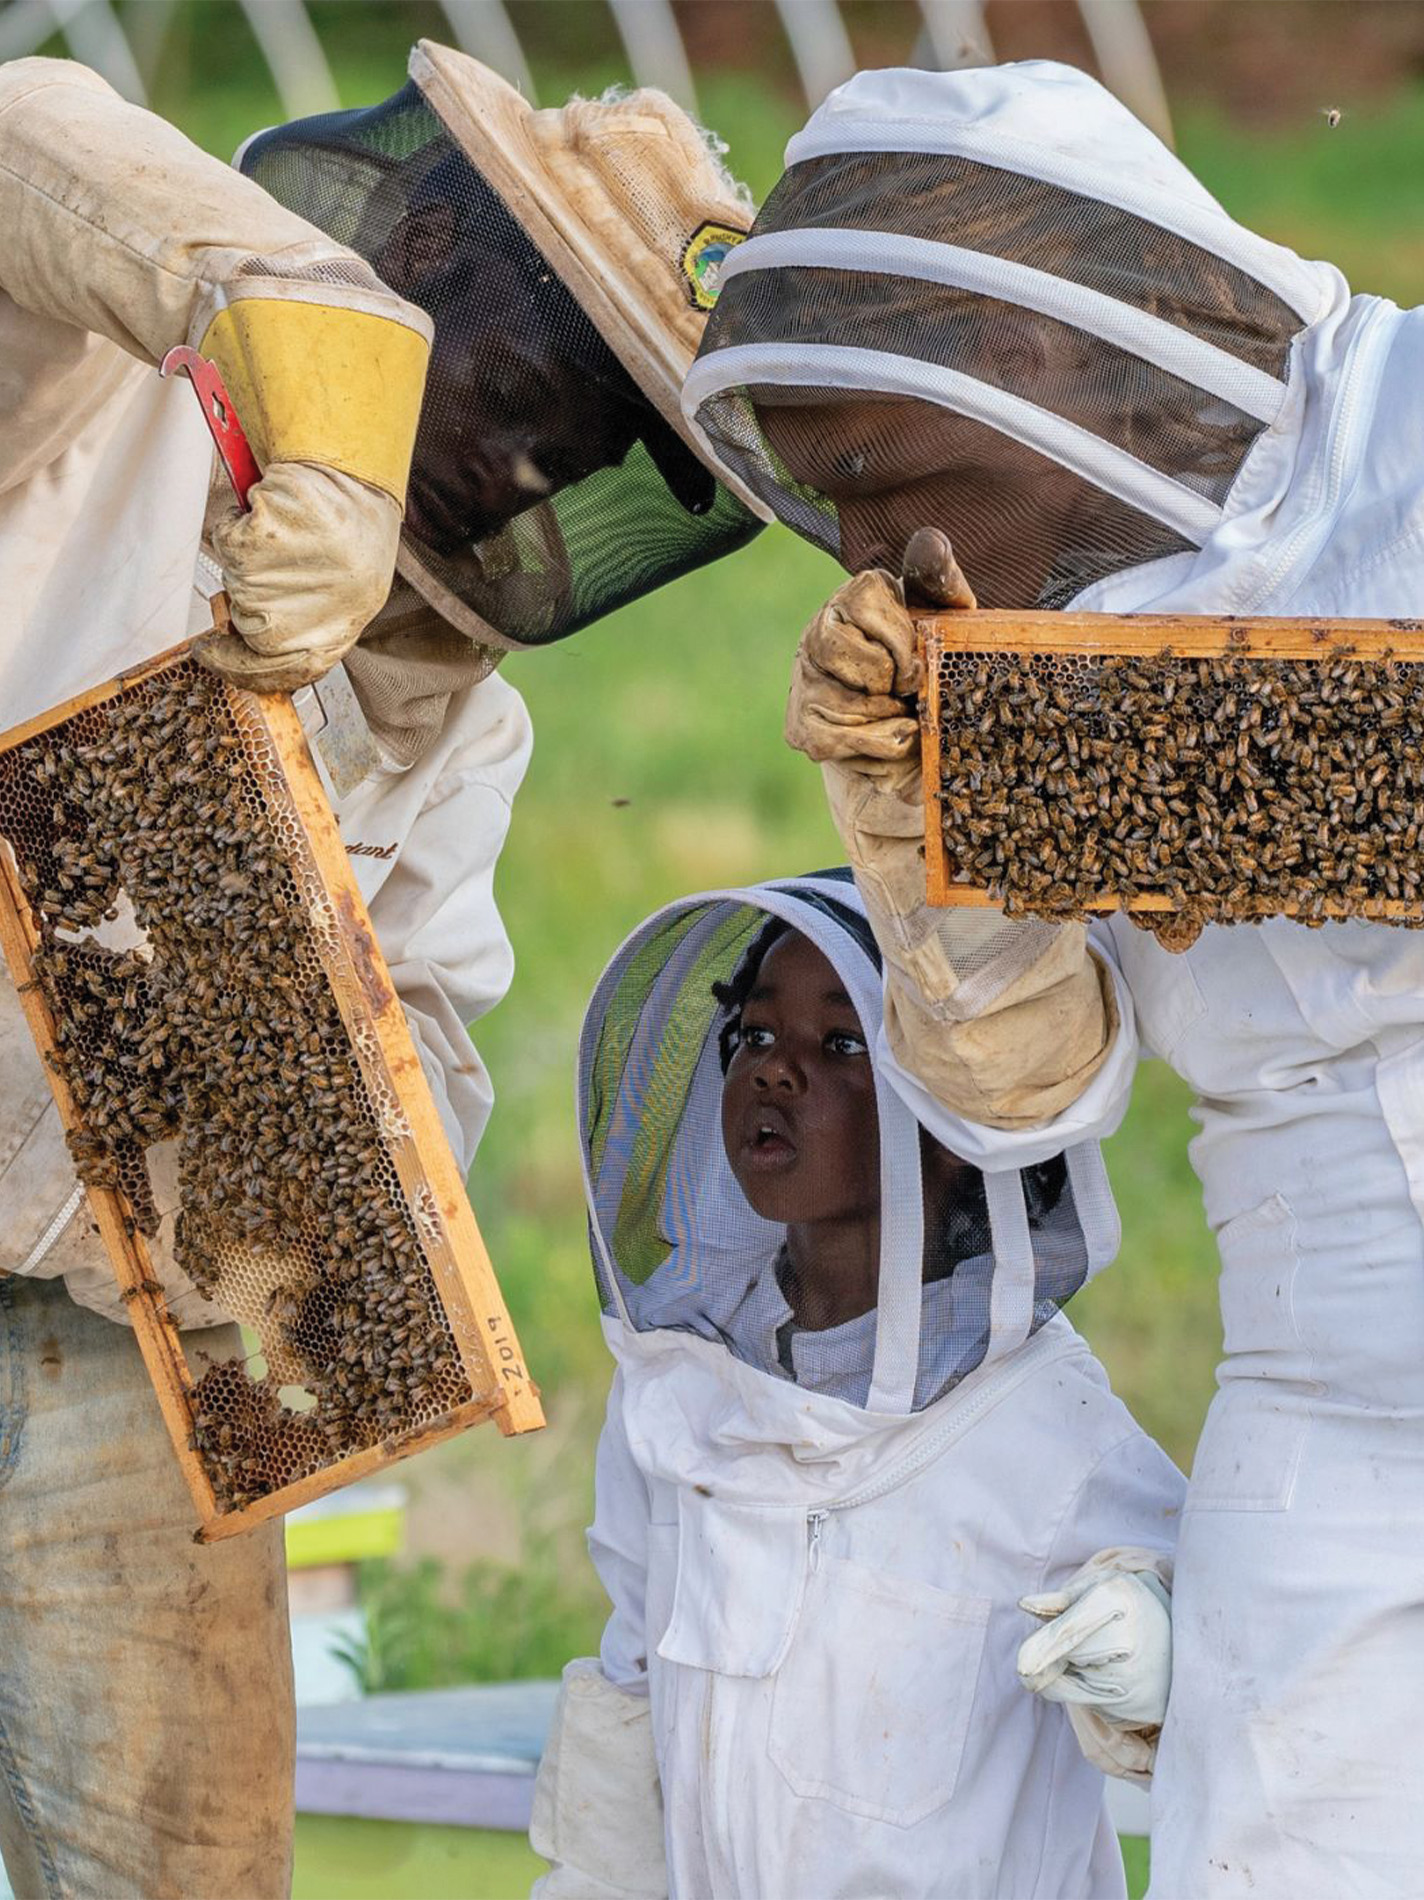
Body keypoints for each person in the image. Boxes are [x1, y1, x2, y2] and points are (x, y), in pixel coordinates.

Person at [0, 44, 759, 1896]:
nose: (530, 451)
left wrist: (319, 1166)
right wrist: (322, 401)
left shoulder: (455, 731)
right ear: (428, 237)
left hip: (119, 1352)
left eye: (593, 438)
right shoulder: (86, 387)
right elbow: (21, 121)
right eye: (531, 374)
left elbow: (412, 1051)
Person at [682, 59, 1424, 1897]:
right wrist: (923, 852)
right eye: (833, 511)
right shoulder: (1004, 660)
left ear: (1039, 371)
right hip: (1326, 1396)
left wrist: (1233, 775)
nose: (875, 561)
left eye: (890, 488)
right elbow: (1032, 1096)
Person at [530, 872, 1183, 1899]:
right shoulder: (683, 1390)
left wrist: (1153, 1652)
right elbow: (634, 1684)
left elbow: (1237, 1670)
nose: (774, 1072)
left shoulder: (1047, 1438)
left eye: (840, 1047)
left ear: (954, 1125)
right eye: (752, 1036)